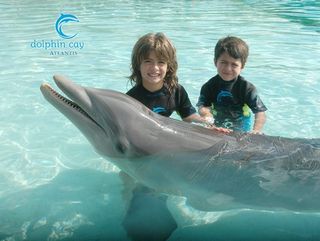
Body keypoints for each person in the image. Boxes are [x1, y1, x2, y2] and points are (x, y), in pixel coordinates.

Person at [127, 32, 230, 132]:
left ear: (169, 66)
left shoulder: (176, 91)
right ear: (138, 65)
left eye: (161, 62)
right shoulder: (131, 99)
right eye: (148, 61)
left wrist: (209, 125)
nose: (155, 68)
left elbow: (189, 116)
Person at [197, 36, 267, 134]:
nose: (228, 69)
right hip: (217, 127)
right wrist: (210, 123)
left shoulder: (247, 88)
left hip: (241, 130)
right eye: (223, 62)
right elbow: (203, 108)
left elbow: (260, 112)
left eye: (234, 64)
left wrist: (256, 131)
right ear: (215, 62)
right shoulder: (208, 86)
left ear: (242, 66)